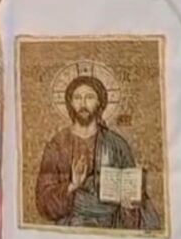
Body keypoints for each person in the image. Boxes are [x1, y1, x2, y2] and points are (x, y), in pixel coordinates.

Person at [35, 75, 160, 230]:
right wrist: (73, 186)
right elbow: (43, 200)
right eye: (77, 98)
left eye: (89, 97)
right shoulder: (57, 145)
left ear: (100, 102)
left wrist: (131, 201)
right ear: (70, 103)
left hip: (111, 227)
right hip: (71, 228)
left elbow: (133, 196)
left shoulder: (117, 144)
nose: (83, 104)